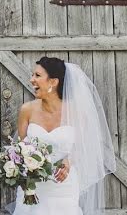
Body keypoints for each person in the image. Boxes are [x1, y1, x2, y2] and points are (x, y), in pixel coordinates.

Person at [11, 57, 116, 214]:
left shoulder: (77, 112)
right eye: (33, 75)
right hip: (33, 187)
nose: (31, 79)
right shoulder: (27, 110)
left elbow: (84, 147)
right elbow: (19, 150)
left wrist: (69, 160)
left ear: (53, 82)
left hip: (63, 185)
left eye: (37, 76)